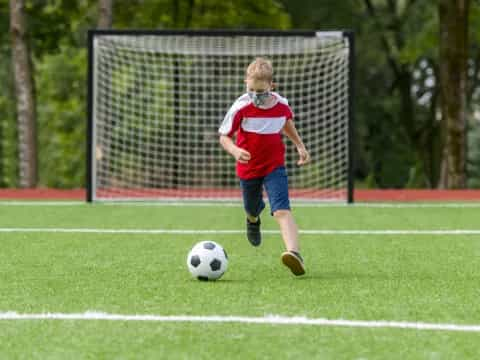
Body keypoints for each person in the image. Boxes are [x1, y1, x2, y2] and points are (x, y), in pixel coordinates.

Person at [218, 57, 310, 276]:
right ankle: (252, 220)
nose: (255, 96)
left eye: (260, 92)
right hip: (249, 168)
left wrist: (300, 146)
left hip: (274, 166)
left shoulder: (282, 105)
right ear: (245, 84)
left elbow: (286, 124)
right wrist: (235, 150)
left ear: (271, 87)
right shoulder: (241, 105)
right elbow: (224, 137)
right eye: (250, 90)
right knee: (251, 207)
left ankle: (294, 254)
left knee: (281, 209)